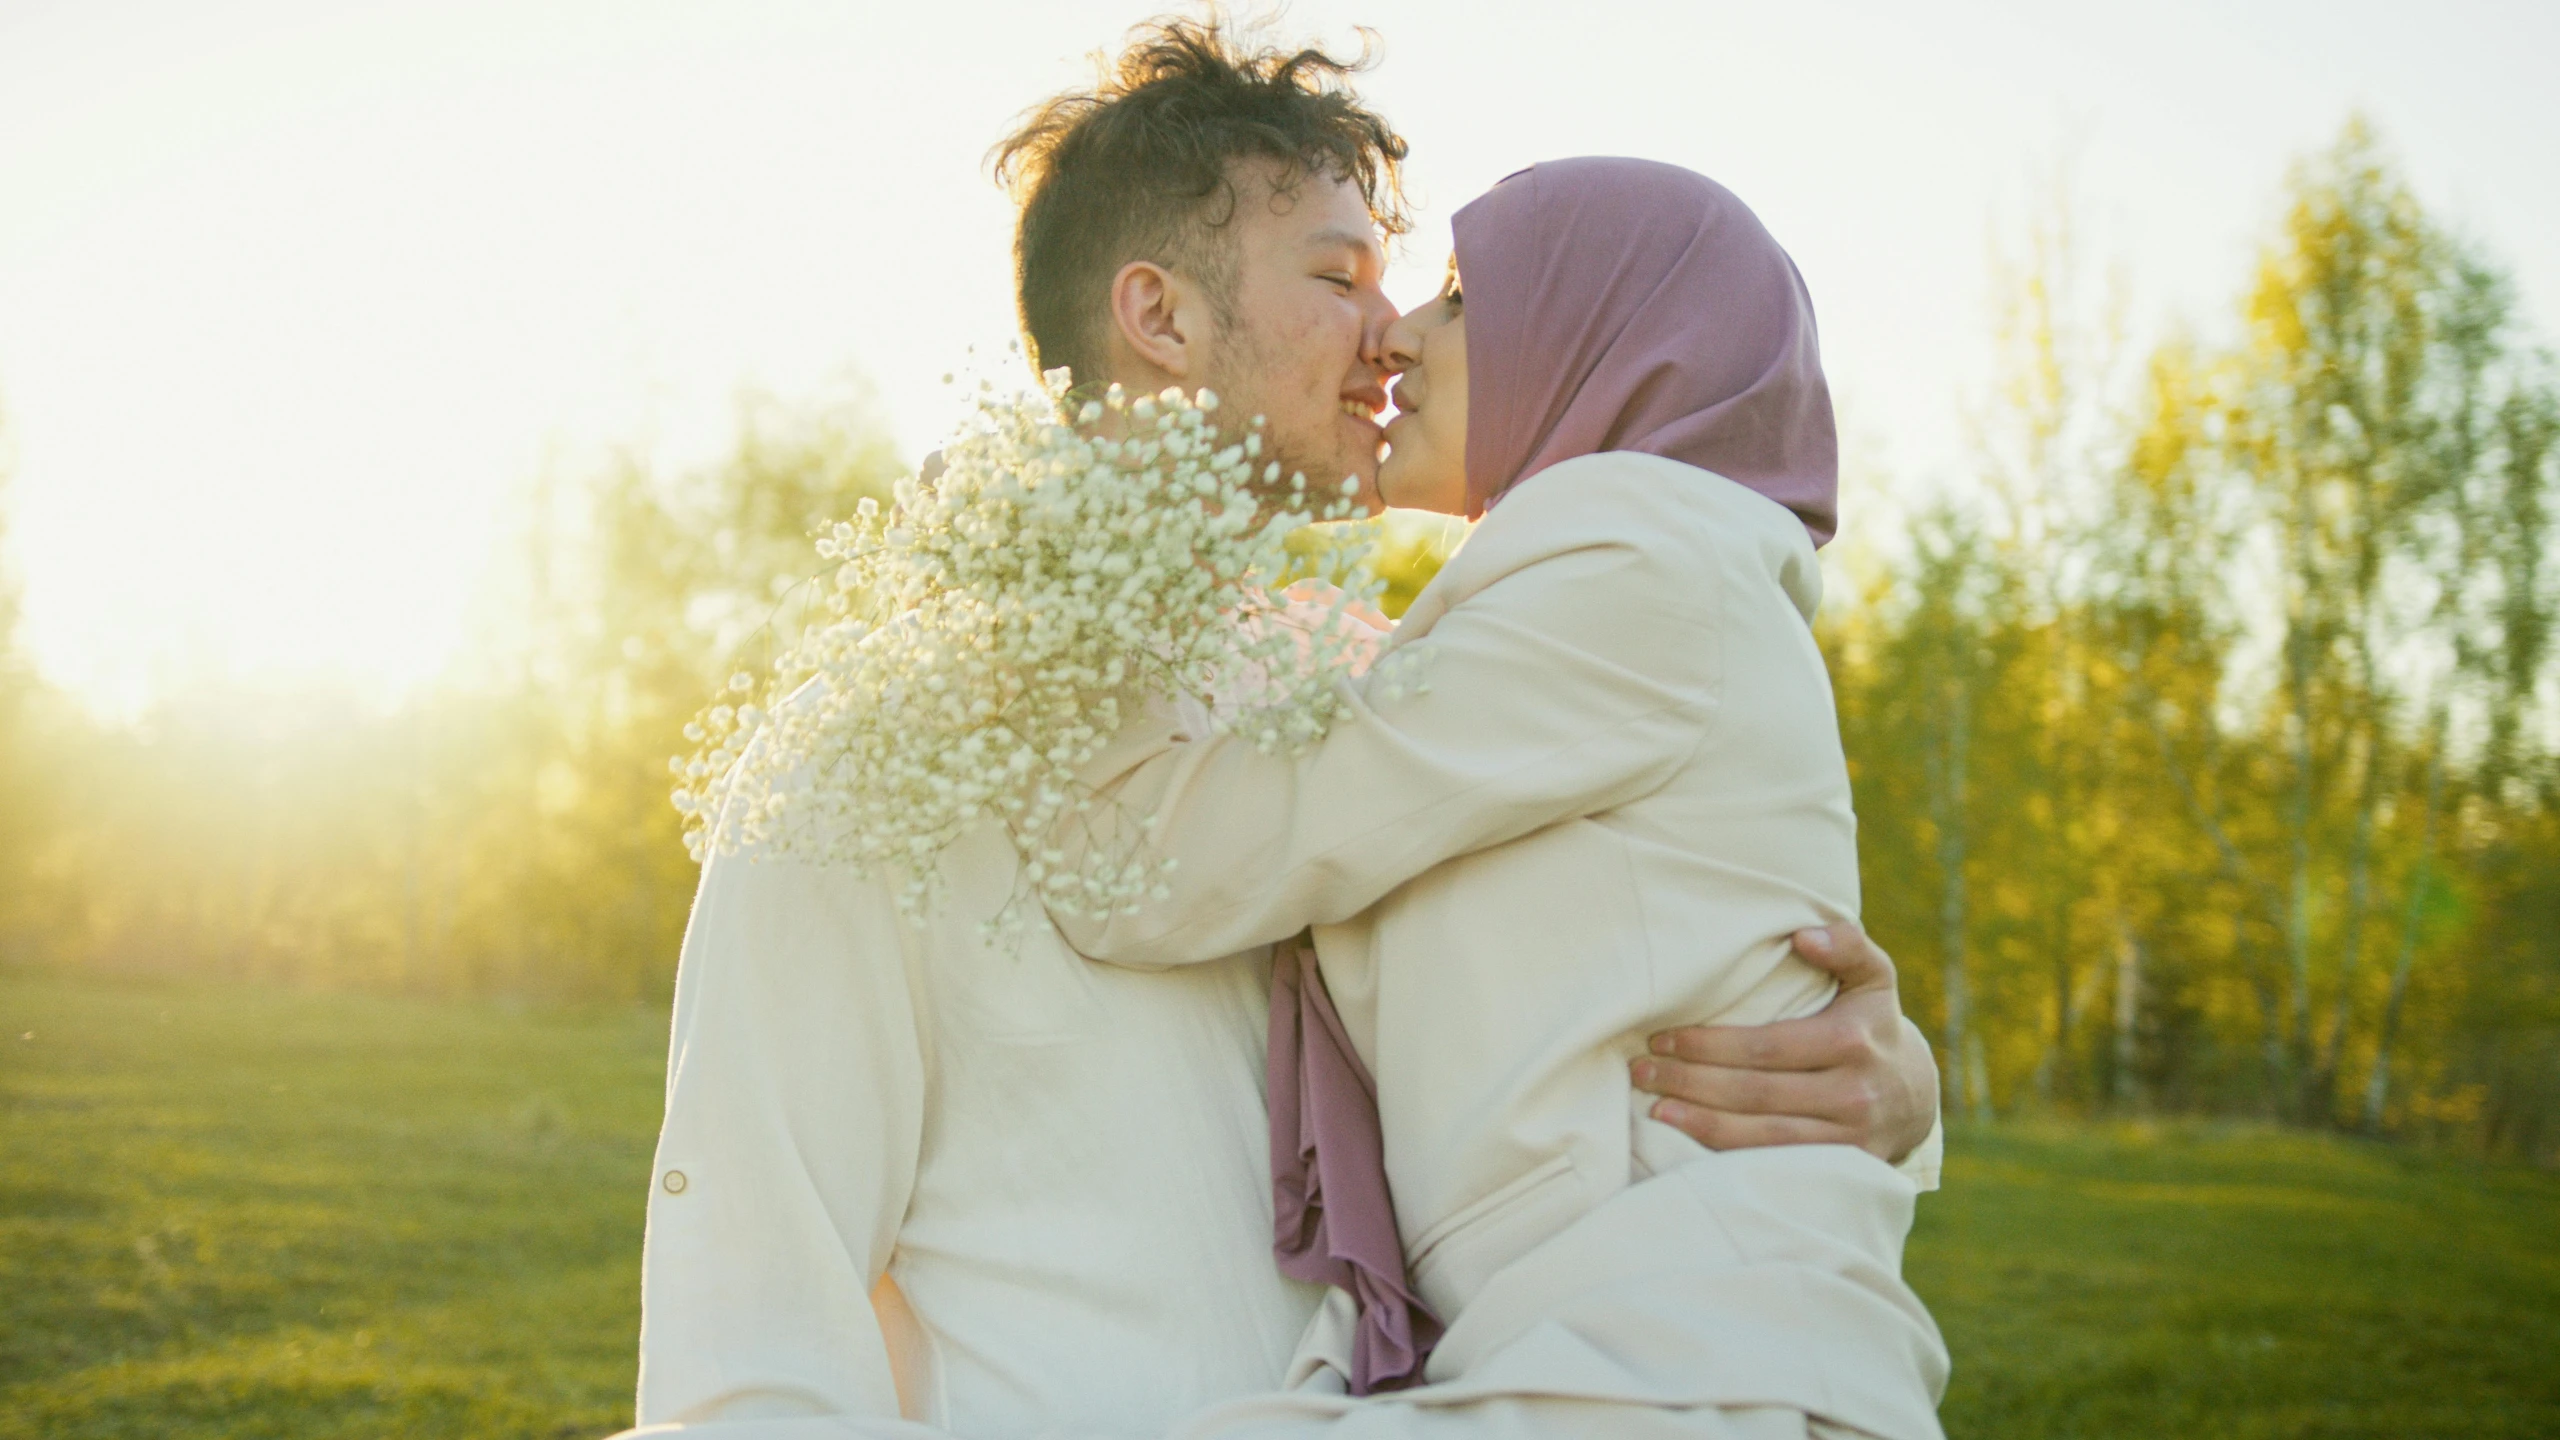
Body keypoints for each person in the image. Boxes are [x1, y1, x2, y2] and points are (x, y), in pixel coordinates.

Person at [615, 19, 1939, 1440]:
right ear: (1162, 317)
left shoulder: (1372, 691)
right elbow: (750, 1354)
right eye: (1338, 276)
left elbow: (1635, 960)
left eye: (1410, 285)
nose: (1392, 330)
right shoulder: (878, 763)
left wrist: (1889, 1089)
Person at [1042, 155, 1948, 1438]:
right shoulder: (1597, 592)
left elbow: (1163, 869)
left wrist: (1018, 632)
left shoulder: (1641, 567)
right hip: (1638, 1352)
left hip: (1686, 1370)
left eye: (1463, 301)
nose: (1400, 333)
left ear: (1605, 335)